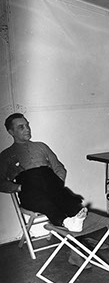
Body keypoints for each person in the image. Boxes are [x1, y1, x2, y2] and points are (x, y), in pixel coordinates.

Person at [0, 113, 96, 267]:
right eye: (21, 127)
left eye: (27, 124)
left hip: (50, 183)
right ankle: (71, 226)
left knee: (71, 203)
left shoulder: (41, 146)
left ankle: (75, 253)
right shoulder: (6, 155)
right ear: (11, 132)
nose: (27, 129)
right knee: (48, 201)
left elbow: (59, 168)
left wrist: (56, 184)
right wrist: (18, 187)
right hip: (28, 188)